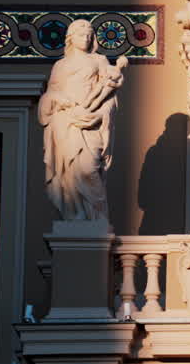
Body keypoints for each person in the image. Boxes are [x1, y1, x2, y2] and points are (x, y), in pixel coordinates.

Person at [38, 19, 128, 223]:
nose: (86, 38)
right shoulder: (60, 65)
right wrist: (61, 101)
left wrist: (99, 115)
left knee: (88, 169)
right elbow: (49, 97)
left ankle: (96, 218)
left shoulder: (99, 60)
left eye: (89, 35)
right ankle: (75, 214)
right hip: (66, 121)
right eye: (81, 34)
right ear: (71, 38)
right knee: (69, 174)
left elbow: (110, 99)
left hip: (90, 122)